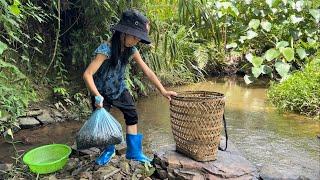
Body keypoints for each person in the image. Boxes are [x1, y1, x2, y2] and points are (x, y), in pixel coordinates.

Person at [83, 9, 177, 166]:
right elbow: (87, 74)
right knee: (103, 119)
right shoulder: (105, 49)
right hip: (100, 91)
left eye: (139, 38)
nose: (136, 41)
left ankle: (133, 152)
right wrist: (97, 96)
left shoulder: (132, 50)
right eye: (134, 36)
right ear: (122, 33)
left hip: (119, 88)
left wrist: (163, 90)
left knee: (132, 114)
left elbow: (147, 71)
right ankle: (108, 150)